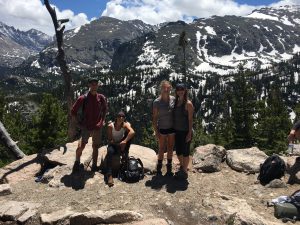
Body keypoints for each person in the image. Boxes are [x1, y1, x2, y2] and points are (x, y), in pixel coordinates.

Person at [71, 78, 107, 173]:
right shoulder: (83, 98)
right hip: (86, 127)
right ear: (89, 85)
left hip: (97, 127)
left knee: (95, 146)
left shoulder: (101, 97)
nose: (94, 85)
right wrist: (78, 124)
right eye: (92, 84)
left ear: (98, 85)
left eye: (96, 84)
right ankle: (77, 162)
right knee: (82, 146)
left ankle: (94, 166)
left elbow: (105, 110)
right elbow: (73, 111)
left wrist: (102, 121)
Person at [152, 80, 175, 176]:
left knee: (170, 147)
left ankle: (169, 168)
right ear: (161, 89)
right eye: (164, 88)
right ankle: (159, 168)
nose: (166, 89)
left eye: (168, 88)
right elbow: (154, 118)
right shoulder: (157, 102)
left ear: (170, 88)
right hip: (162, 128)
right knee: (161, 148)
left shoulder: (173, 99)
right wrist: (156, 131)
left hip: (172, 127)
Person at [106, 111, 135, 187]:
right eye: (119, 116)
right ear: (116, 117)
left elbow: (132, 132)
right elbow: (110, 140)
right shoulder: (110, 126)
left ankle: (125, 155)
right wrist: (119, 144)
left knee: (129, 135)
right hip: (113, 144)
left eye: (123, 117)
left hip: (121, 143)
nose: (121, 118)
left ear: (124, 118)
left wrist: (124, 141)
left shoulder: (124, 125)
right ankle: (109, 175)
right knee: (110, 152)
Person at [173, 83, 194, 180]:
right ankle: (182, 166)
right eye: (178, 90)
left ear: (185, 91)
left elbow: (190, 120)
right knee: (178, 151)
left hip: (185, 131)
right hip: (177, 131)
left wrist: (189, 133)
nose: (180, 91)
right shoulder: (176, 102)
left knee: (185, 152)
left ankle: (184, 171)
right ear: (176, 91)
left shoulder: (188, 104)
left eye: (182, 89)